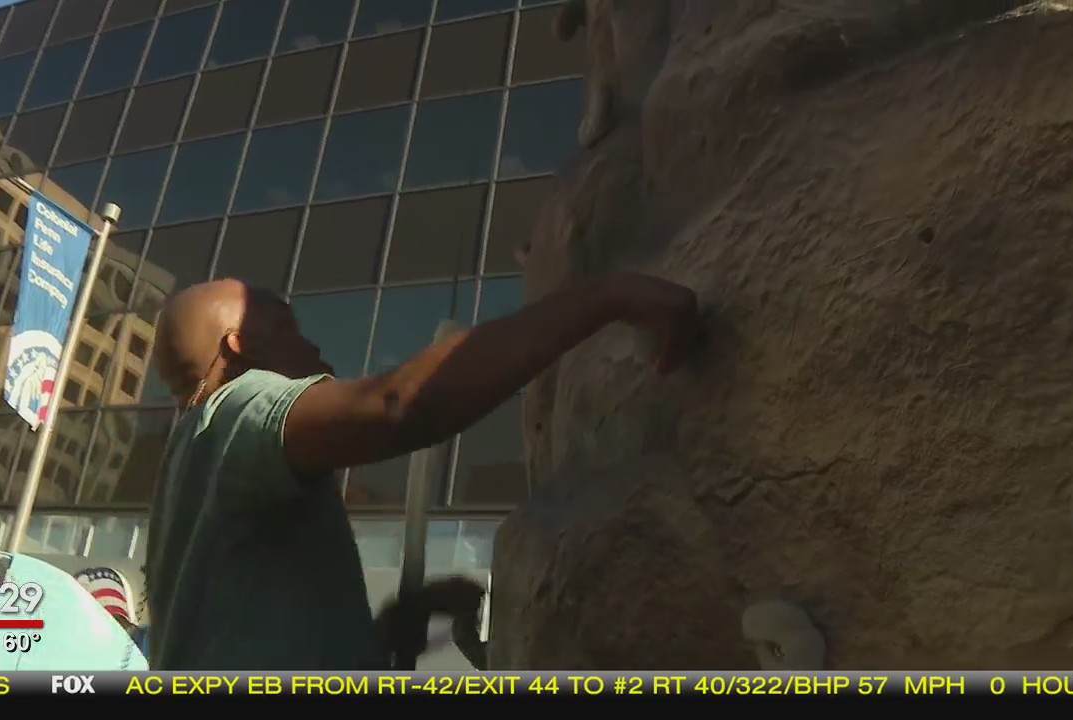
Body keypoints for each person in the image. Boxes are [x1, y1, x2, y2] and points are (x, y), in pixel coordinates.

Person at [145, 272, 701, 670]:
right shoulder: (243, 404)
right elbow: (396, 405)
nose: (310, 339)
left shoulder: (190, 457)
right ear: (238, 347)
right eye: (286, 325)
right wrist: (604, 296)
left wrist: (386, 632)